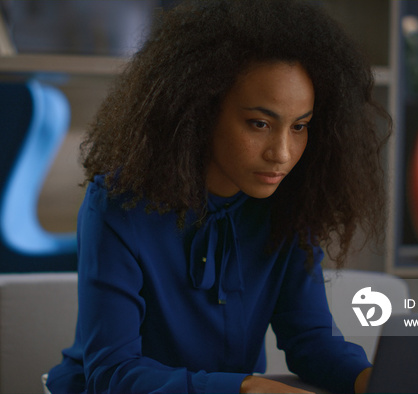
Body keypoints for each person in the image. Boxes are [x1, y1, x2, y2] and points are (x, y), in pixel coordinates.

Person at [45, 0, 390, 392]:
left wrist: (371, 381)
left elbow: (310, 339)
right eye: (259, 123)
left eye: (300, 126)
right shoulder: (117, 205)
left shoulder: (290, 205)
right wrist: (244, 389)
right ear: (200, 111)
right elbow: (112, 373)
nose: (282, 153)